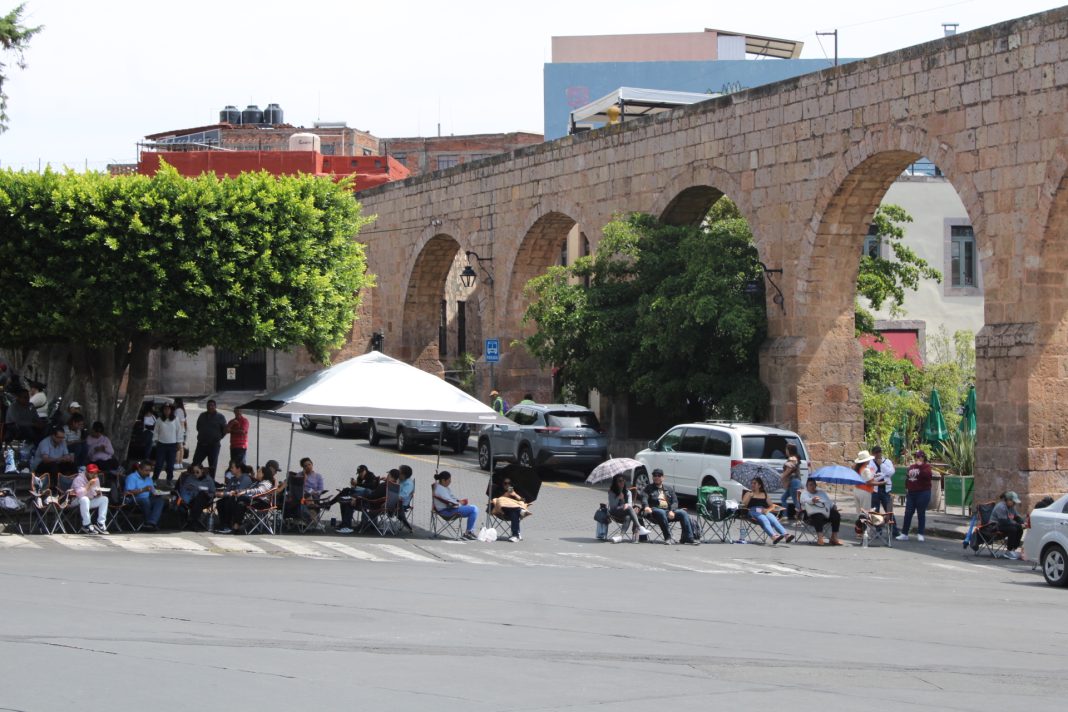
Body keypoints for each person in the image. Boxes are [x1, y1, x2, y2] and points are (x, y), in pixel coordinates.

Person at [641, 468, 699, 545]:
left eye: (659, 475)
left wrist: (672, 511)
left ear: (663, 477)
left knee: (683, 513)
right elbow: (644, 498)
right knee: (661, 512)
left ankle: (688, 537)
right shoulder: (648, 488)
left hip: (668, 512)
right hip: (654, 512)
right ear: (652, 477)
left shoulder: (669, 489)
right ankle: (668, 537)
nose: (657, 477)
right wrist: (646, 506)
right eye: (655, 475)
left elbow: (675, 502)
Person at [215, 466, 274, 534]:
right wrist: (237, 492)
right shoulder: (256, 482)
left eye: (259, 472)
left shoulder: (266, 483)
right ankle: (228, 525)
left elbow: (259, 491)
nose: (257, 473)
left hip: (262, 503)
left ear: (263, 474)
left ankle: (234, 526)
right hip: (253, 500)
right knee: (226, 501)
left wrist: (244, 492)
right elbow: (248, 489)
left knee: (239, 500)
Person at [741, 477, 792, 545]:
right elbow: (743, 505)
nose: (752, 485)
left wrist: (768, 510)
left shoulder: (764, 494)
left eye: (754, 483)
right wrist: (750, 496)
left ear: (759, 485)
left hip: (764, 511)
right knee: (764, 519)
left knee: (774, 519)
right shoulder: (748, 493)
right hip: (753, 511)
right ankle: (773, 536)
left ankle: (786, 535)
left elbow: (771, 505)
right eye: (752, 483)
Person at [897, 450, 933, 542]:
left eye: (919, 456)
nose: (917, 458)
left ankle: (920, 533)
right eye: (916, 457)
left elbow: (928, 476)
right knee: (908, 512)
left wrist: (921, 466)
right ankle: (904, 533)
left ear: (923, 457)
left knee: (921, 513)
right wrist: (906, 487)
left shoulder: (927, 467)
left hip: (923, 492)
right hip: (911, 492)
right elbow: (907, 477)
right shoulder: (912, 467)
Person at [432, 471, 479, 539]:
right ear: (443, 480)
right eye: (449, 480)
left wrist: (459, 501)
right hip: (446, 511)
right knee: (473, 510)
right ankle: (468, 532)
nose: (450, 482)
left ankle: (470, 531)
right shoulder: (440, 490)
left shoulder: (443, 487)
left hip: (450, 508)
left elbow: (451, 498)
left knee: (474, 507)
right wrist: (460, 503)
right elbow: (448, 501)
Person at [608, 474, 651, 542]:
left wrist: (625, 503)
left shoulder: (628, 492)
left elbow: (630, 505)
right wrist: (618, 498)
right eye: (619, 481)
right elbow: (613, 506)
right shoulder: (612, 492)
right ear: (615, 482)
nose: (622, 482)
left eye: (623, 480)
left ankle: (620, 536)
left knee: (628, 516)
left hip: (625, 513)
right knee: (629, 509)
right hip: (614, 512)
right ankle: (639, 527)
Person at [124, 460, 165, 531]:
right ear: (139, 469)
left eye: (149, 471)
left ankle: (151, 522)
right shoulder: (131, 477)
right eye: (146, 470)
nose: (148, 473)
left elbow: (153, 491)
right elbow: (129, 492)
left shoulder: (149, 479)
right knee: (145, 500)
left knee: (160, 501)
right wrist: (143, 489)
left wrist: (158, 493)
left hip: (147, 498)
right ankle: (148, 523)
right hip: (133, 499)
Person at [869, 445, 900, 537]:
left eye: (879, 452)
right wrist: (882, 475)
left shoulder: (887, 462)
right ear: (873, 454)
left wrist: (881, 465)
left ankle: (894, 531)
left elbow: (891, 472)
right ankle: (878, 531)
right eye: (876, 453)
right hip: (875, 490)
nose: (878, 454)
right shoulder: (870, 463)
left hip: (886, 490)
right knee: (875, 511)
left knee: (888, 511)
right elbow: (871, 475)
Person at [800, 478, 842, 546]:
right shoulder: (804, 493)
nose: (812, 486)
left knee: (836, 514)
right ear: (807, 486)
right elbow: (804, 500)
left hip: (825, 512)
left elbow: (828, 501)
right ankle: (820, 538)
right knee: (818, 515)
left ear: (816, 485)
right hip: (810, 515)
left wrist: (833, 506)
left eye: (814, 484)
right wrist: (812, 500)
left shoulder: (821, 492)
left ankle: (834, 537)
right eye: (810, 485)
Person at [490, 474, 532, 542]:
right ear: (502, 484)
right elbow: (495, 501)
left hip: (511, 511)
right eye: (505, 483)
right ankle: (520, 512)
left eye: (509, 483)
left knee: (514, 513)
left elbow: (522, 500)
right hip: (502, 511)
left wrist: (515, 495)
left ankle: (515, 535)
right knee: (503, 501)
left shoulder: (512, 491)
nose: (507, 485)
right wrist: (505, 495)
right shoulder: (498, 490)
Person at [191, 399, 227, 477]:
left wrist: (218, 437)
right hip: (201, 445)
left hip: (214, 446)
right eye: (208, 405)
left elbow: (224, 430)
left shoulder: (220, 417)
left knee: (212, 466)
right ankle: (195, 479)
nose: (210, 407)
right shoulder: (202, 415)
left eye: (212, 405)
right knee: (195, 463)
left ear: (215, 406)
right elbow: (198, 427)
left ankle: (211, 481)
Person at [71, 463, 109, 535]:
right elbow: (80, 495)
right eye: (92, 473)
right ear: (87, 472)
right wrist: (89, 484)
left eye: (96, 473)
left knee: (104, 499)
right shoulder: (78, 479)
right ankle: (86, 525)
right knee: (84, 499)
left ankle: (100, 523)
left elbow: (96, 493)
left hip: (89, 500)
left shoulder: (96, 479)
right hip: (76, 500)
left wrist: (98, 494)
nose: (94, 475)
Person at [177, 464, 216, 531]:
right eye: (193, 472)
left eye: (197, 472)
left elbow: (213, 492)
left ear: (202, 470)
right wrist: (191, 490)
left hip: (205, 500)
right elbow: (183, 489)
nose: (195, 474)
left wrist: (206, 493)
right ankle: (193, 520)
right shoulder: (190, 478)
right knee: (196, 498)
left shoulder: (209, 480)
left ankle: (192, 519)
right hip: (191, 499)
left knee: (201, 495)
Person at [152, 402, 182, 485]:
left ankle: (169, 480)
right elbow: (156, 431)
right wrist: (156, 440)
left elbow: (179, 431)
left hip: (172, 445)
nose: (167, 411)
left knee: (170, 464)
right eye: (165, 409)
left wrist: (179, 442)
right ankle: (154, 479)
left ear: (171, 410)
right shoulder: (159, 420)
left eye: (168, 409)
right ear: (163, 410)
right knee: (159, 463)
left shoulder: (175, 419)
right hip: (161, 445)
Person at [991, 491, 1026, 559]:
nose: (1015, 504)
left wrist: (1022, 523)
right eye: (1013, 502)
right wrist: (1018, 525)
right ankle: (1009, 551)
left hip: (1004, 525)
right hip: (995, 526)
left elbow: (1016, 517)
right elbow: (1004, 522)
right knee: (1013, 529)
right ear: (1008, 500)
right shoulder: (1001, 507)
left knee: (1019, 529)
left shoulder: (1011, 507)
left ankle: (1013, 549)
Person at [779, 444, 803, 519]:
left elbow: (789, 469)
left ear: (789, 450)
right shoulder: (794, 458)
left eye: (786, 449)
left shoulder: (792, 458)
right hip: (793, 482)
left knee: (795, 500)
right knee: (783, 498)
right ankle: (785, 515)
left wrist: (781, 476)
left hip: (794, 482)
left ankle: (799, 517)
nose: (785, 451)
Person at [852, 450, 876, 520]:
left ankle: (858, 525)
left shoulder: (858, 468)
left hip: (857, 489)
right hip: (865, 491)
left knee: (859, 512)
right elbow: (869, 482)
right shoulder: (866, 469)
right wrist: (882, 483)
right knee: (865, 512)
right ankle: (864, 526)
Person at [173, 397, 188, 467]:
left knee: (178, 447)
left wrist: (178, 431)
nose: (173, 403)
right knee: (181, 447)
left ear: (176, 403)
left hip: (178, 431)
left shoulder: (178, 410)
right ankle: (180, 463)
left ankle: (177, 462)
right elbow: (184, 422)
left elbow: (178, 422)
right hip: (182, 431)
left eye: (174, 402)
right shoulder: (182, 410)